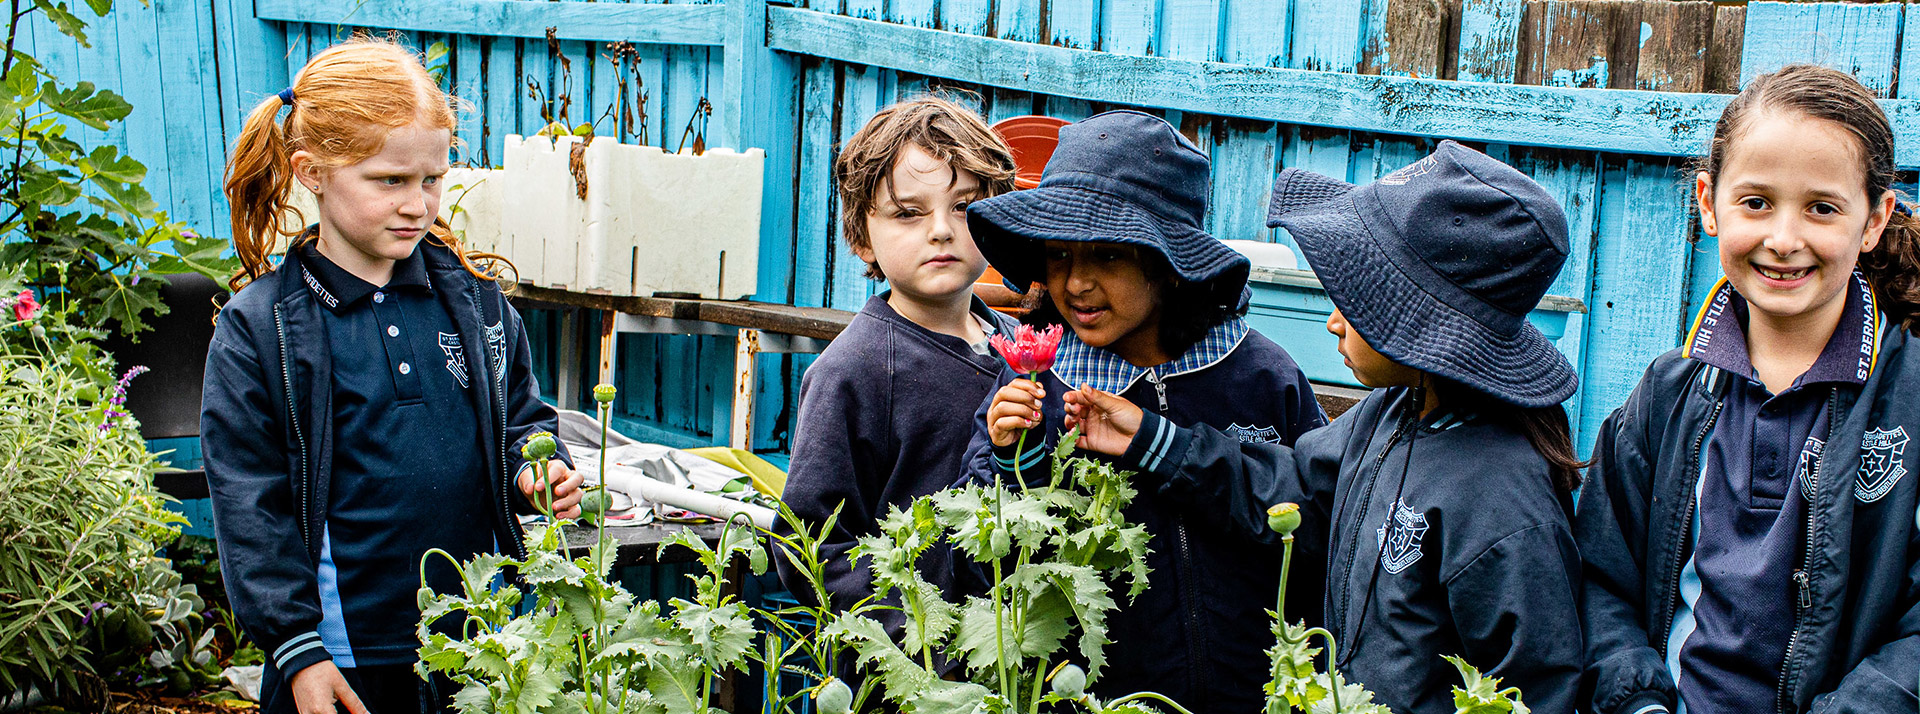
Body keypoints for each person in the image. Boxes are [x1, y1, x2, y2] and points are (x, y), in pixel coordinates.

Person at [1060, 140, 1587, 713]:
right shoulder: (1390, 415)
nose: (1334, 321)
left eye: (1357, 302)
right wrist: (1154, 441)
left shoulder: (1501, 496)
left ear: (1420, 322)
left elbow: (1535, 689)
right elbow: (1296, 493)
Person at [204, 38, 578, 714]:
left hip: (481, 646)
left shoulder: (475, 302)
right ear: (312, 173)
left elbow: (520, 418)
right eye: (390, 181)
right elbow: (247, 503)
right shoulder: (262, 329)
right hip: (341, 658)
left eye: (432, 180)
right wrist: (296, 648)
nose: (418, 203)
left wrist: (534, 470)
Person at [1577, 64, 1920, 714]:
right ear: (1708, 202)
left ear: (1873, 221)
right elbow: (1601, 576)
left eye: (1821, 208)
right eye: (1756, 202)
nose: (1783, 240)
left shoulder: (1910, 402)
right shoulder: (1667, 395)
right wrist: (1636, 703)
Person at [960, 110, 1326, 713]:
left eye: (1106, 256)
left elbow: (1315, 522)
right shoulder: (1034, 380)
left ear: (1170, 264)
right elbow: (980, 571)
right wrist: (1008, 460)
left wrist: (1168, 448)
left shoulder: (1260, 376)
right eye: (1057, 256)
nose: (1075, 283)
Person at [775, 96, 1021, 645]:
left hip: (1018, 662)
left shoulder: (1019, 345)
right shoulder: (853, 371)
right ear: (862, 235)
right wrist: (917, 629)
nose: (941, 231)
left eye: (964, 206)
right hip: (917, 676)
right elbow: (809, 548)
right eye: (909, 213)